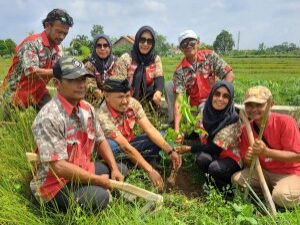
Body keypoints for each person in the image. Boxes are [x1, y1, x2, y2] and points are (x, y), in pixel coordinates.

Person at [30, 56, 127, 212]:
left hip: (81, 170)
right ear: (57, 83)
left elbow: (101, 140)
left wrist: (114, 168)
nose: (81, 85)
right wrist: (96, 180)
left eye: (83, 79)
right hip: (55, 185)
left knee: (120, 170)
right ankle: (53, 208)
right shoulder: (49, 116)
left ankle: (99, 188)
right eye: (74, 80)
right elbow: (59, 167)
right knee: (101, 197)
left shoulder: (87, 108)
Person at [96, 78, 182, 191]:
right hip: (117, 150)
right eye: (120, 97)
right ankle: (134, 165)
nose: (125, 101)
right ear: (107, 96)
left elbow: (150, 129)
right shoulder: (101, 115)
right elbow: (125, 147)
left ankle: (135, 163)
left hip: (130, 144)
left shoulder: (132, 104)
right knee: (111, 145)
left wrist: (170, 151)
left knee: (161, 135)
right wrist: (150, 170)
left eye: (127, 96)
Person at [232, 86, 300, 208]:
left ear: (271, 104)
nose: (254, 109)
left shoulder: (285, 122)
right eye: (249, 105)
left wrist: (267, 152)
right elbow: (247, 163)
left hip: (290, 173)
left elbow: (297, 156)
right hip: (264, 173)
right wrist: (248, 157)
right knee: (237, 180)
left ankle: (281, 194)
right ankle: (268, 195)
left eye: (259, 105)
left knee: (281, 196)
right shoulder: (246, 129)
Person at [164, 29, 234, 141]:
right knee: (200, 121)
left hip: (215, 99)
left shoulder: (210, 56)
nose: (188, 46)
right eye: (184, 44)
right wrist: (177, 130)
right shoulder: (180, 71)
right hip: (197, 106)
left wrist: (221, 95)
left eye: (192, 42)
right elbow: (179, 100)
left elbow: (229, 75)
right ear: (181, 49)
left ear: (198, 43)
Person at [1, 9, 73, 116]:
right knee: (7, 128)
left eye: (65, 33)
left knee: (54, 116)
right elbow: (31, 72)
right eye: (59, 32)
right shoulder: (32, 43)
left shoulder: (58, 49)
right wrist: (59, 71)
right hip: (14, 94)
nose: (62, 37)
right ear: (47, 25)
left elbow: (58, 77)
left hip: (39, 93)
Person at [176, 80, 241, 192]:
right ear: (211, 95)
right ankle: (210, 183)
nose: (220, 99)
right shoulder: (205, 112)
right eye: (217, 94)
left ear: (230, 100)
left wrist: (190, 148)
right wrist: (182, 135)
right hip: (213, 153)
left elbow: (215, 148)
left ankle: (227, 190)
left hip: (230, 158)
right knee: (202, 158)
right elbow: (196, 131)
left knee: (214, 168)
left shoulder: (232, 120)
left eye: (225, 96)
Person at [113, 26, 164, 107]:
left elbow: (159, 78)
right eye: (142, 40)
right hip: (127, 101)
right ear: (137, 40)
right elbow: (119, 85)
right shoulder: (126, 58)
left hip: (150, 102)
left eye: (149, 41)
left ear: (153, 43)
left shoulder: (155, 59)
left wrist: (158, 92)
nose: (145, 44)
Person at [84, 34, 117, 106]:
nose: (102, 48)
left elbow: (120, 82)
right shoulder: (89, 64)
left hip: (115, 100)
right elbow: (90, 86)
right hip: (95, 101)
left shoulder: (116, 63)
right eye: (99, 46)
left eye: (105, 45)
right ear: (95, 48)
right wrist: (105, 99)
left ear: (110, 47)